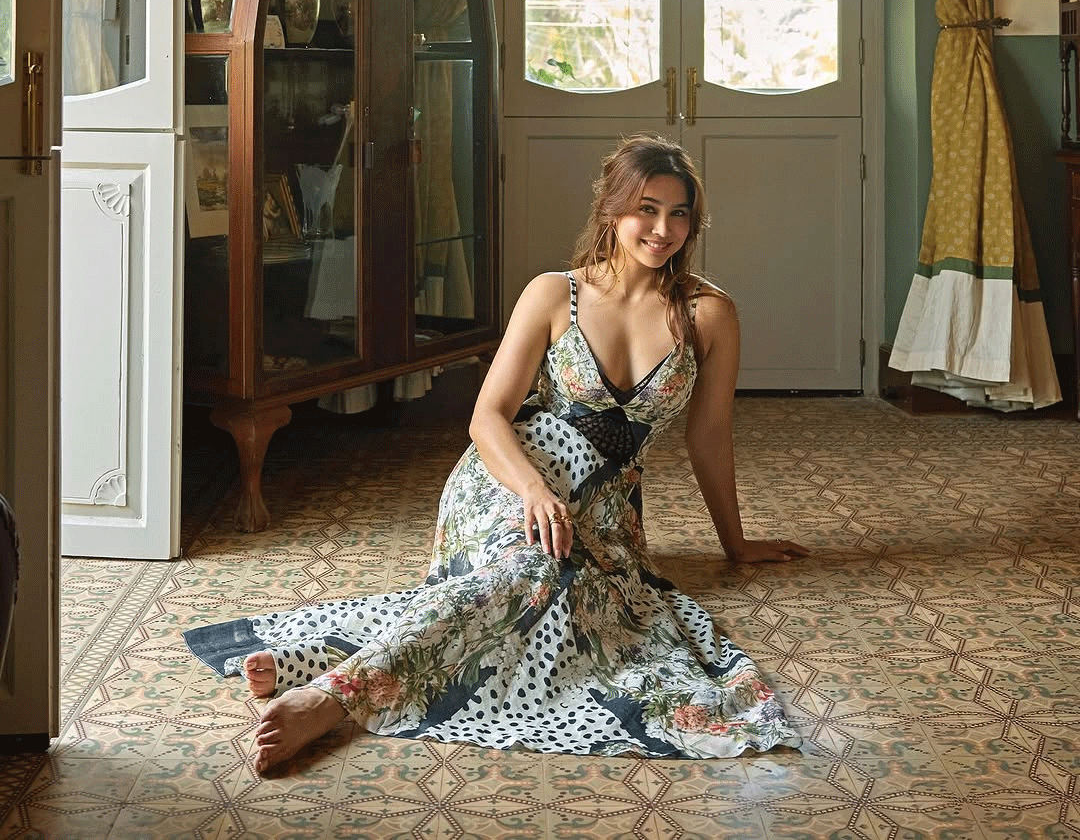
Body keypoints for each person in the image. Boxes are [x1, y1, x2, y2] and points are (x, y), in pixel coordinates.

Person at [184, 134, 807, 773]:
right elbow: (487, 417)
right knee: (529, 572)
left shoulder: (709, 314)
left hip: (605, 508)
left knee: (560, 601)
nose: (662, 229)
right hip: (511, 474)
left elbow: (710, 435)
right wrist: (533, 491)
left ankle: (314, 660)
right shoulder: (555, 293)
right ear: (611, 210)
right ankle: (327, 699)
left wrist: (736, 543)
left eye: (679, 214)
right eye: (646, 210)